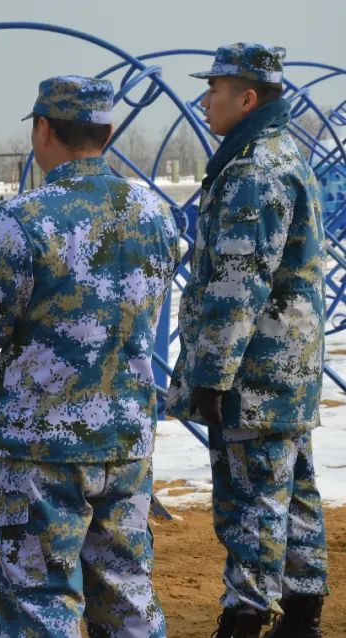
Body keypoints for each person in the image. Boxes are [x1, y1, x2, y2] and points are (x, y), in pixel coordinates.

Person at [0, 76, 180, 638]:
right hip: (126, 439)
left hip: (39, 446)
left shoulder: (22, 221)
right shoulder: (155, 214)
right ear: (107, 132)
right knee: (125, 590)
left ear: (43, 130)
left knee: (40, 600)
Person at [166, 43, 328, 638]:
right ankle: (303, 614)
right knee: (294, 489)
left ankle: (245, 617)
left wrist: (210, 376)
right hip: (287, 363)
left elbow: (238, 285)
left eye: (216, 90)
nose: (206, 100)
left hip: (254, 370)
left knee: (250, 499)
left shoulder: (254, 170)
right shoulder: (281, 153)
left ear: (248, 98)